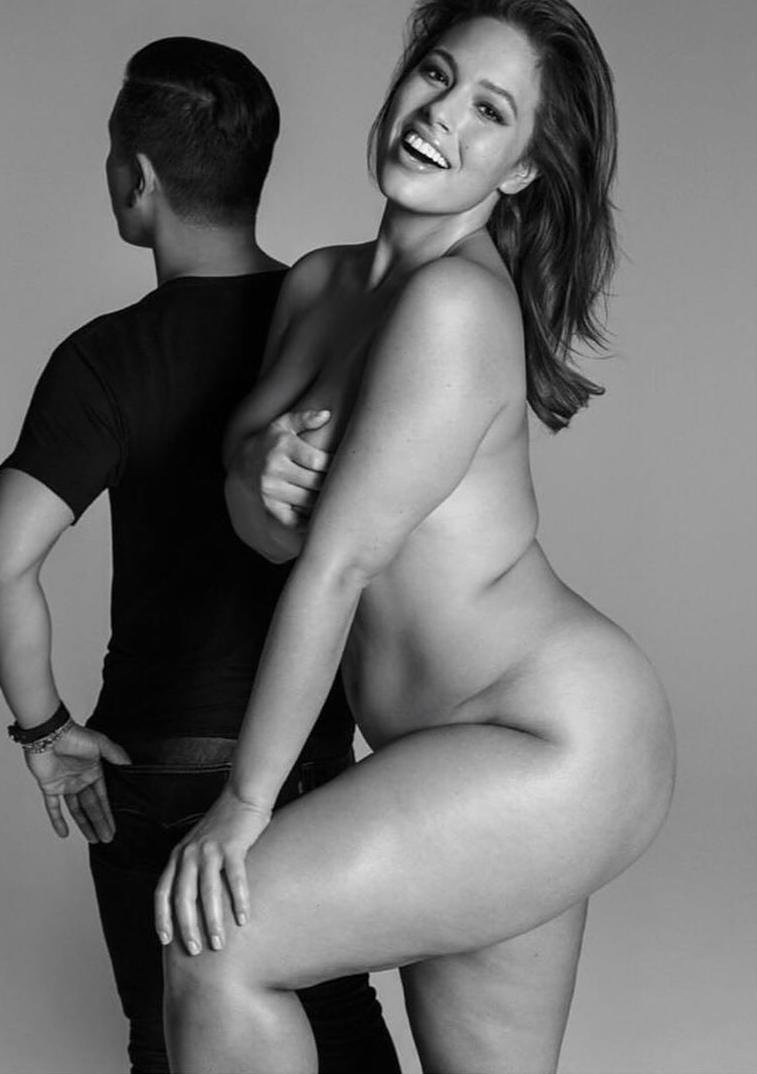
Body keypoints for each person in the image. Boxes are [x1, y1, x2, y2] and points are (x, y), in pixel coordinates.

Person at [157, 3, 676, 1072]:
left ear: (522, 167)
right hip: (443, 755)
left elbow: (339, 563)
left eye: (489, 110)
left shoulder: (453, 306)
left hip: (547, 743)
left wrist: (244, 805)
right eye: (435, 76)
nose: (440, 116)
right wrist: (250, 477)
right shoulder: (320, 284)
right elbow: (268, 533)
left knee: (217, 947)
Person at [0, 37, 400, 1074]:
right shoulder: (339, 326)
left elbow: (1, 560)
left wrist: (44, 729)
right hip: (308, 754)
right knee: (340, 1026)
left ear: (135, 179)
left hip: (160, 762)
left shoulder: (106, 358)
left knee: (167, 1037)